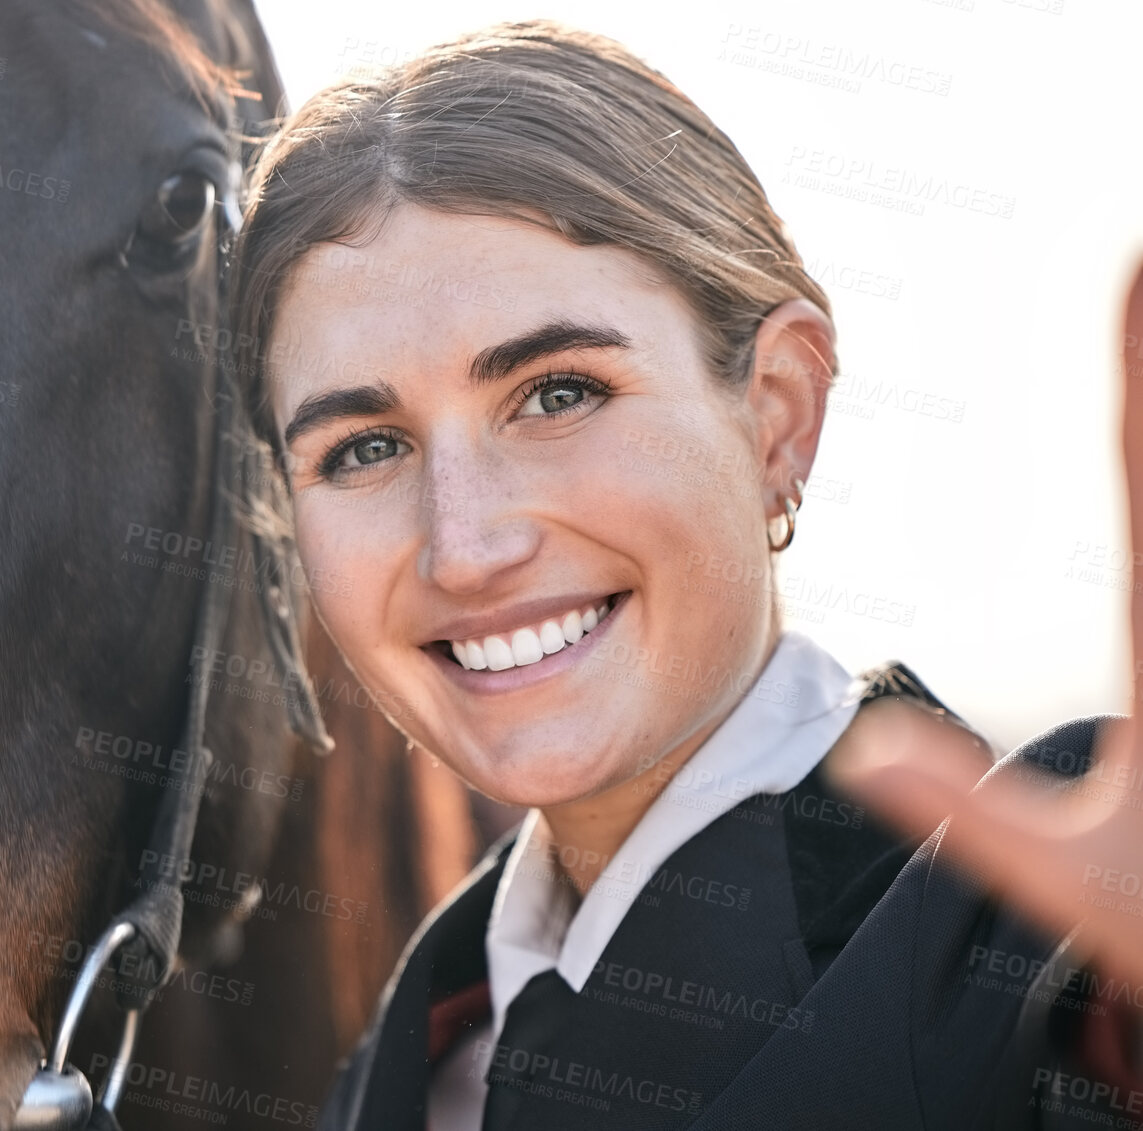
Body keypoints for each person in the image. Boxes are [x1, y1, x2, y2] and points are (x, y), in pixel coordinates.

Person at [226, 20, 1143, 1130]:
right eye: (362, 450)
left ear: (777, 413)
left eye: (559, 393)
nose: (463, 549)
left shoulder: (1023, 943)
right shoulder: (405, 1056)